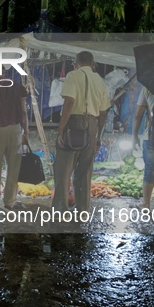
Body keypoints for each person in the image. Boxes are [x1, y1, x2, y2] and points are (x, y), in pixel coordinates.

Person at [51, 51, 110, 215]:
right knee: (84, 172)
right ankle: (83, 209)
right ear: (93, 64)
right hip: (92, 125)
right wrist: (98, 136)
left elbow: (69, 101)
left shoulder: (73, 75)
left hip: (73, 124)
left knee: (63, 171)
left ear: (76, 63)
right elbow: (103, 112)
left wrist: (61, 128)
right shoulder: (99, 80)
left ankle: (60, 210)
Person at [0, 68, 29, 210]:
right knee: (13, 166)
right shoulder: (16, 86)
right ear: (3, 71)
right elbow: (23, 110)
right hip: (15, 129)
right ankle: (10, 201)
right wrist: (25, 132)